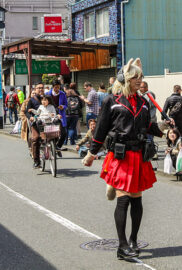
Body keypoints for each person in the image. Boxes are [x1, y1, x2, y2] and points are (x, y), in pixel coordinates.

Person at [82, 58, 170, 261]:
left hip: (138, 155)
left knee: (137, 200)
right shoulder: (112, 101)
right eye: (136, 77)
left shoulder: (144, 102)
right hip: (120, 156)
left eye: (141, 77)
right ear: (125, 79)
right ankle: (121, 246)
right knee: (123, 201)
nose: (140, 80)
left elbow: (149, 126)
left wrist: (164, 127)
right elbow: (101, 129)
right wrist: (91, 153)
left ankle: (133, 240)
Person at [46, 79, 68, 156]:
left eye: (58, 87)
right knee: (52, 133)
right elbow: (44, 104)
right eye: (55, 87)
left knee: (64, 133)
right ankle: (53, 147)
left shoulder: (62, 94)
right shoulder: (48, 94)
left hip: (60, 115)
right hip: (50, 115)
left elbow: (66, 104)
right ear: (52, 87)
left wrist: (63, 106)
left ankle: (58, 146)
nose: (57, 89)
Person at [26, 83, 45, 168]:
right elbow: (27, 112)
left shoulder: (47, 98)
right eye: (39, 88)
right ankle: (36, 161)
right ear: (35, 89)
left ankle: (54, 148)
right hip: (36, 123)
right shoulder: (31, 100)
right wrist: (30, 117)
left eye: (42, 88)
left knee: (55, 134)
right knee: (36, 139)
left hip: (46, 122)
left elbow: (53, 107)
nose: (41, 89)